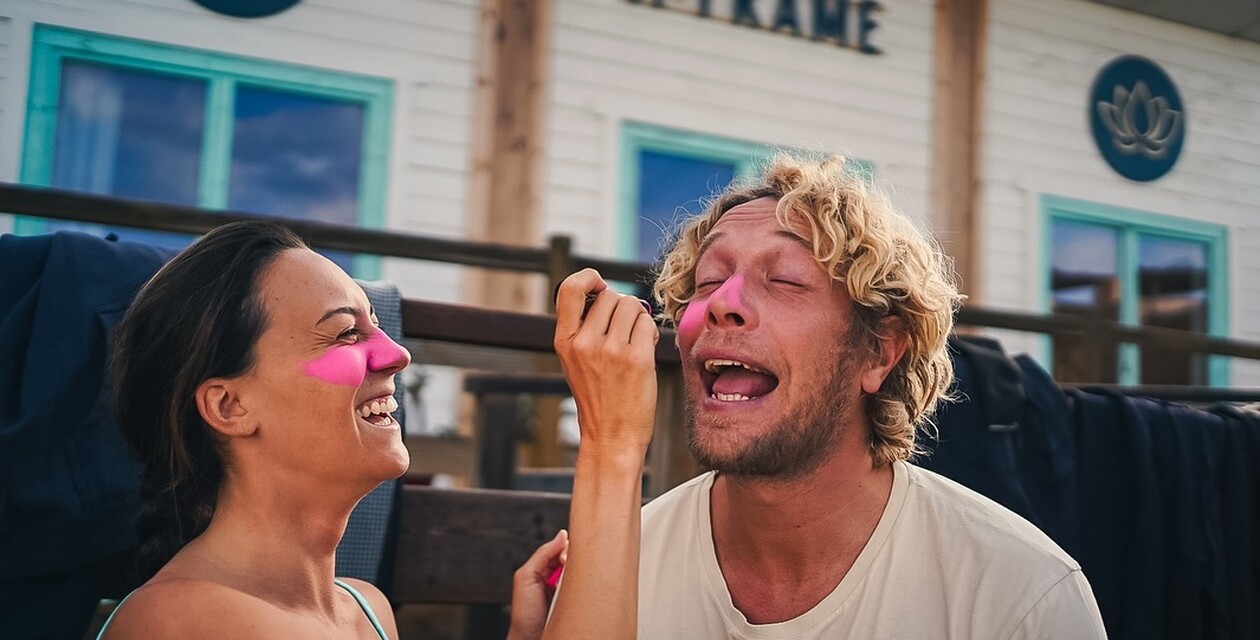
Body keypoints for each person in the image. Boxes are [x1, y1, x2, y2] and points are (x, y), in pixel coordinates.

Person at [97, 221, 657, 639]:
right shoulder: (186, 619)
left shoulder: (364, 610)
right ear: (228, 405)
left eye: (377, 326)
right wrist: (612, 442)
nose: (396, 354)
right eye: (344, 334)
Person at [637, 154, 1108, 638]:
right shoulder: (622, 569)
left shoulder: (1021, 597)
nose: (720, 304)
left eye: (784, 279)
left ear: (880, 353)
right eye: (709, 279)